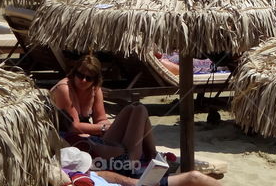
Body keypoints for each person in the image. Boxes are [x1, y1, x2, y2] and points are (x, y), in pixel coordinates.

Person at [50, 56, 223, 185]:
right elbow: (74, 127)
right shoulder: (65, 89)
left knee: (136, 108)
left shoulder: (95, 89)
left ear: (95, 79)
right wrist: (103, 130)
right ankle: (152, 156)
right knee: (135, 118)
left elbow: (101, 118)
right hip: (81, 139)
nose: (83, 80)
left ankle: (152, 156)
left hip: (96, 141)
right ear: (74, 73)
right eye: (80, 75)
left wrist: (109, 126)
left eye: (89, 78)